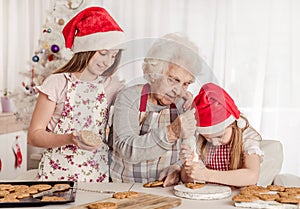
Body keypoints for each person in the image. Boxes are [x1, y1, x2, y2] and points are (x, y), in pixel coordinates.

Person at [27, 7, 126, 182]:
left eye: (113, 55)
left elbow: (141, 99)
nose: (108, 62)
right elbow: (34, 135)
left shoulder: (112, 86)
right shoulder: (57, 83)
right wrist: (69, 138)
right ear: (86, 48)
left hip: (97, 174)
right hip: (56, 174)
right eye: (103, 53)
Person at [110, 33, 202, 187]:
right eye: (173, 79)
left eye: (186, 84)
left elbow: (191, 150)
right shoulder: (129, 97)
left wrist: (177, 168)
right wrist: (172, 132)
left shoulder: (183, 104)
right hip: (125, 187)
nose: (178, 91)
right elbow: (127, 149)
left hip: (165, 189)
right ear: (154, 73)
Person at [181, 82, 264, 187]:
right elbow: (186, 179)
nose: (214, 143)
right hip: (210, 198)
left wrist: (206, 174)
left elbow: (252, 176)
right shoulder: (200, 141)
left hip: (236, 198)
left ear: (234, 125)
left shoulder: (247, 137)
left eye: (219, 136)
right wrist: (189, 168)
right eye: (208, 138)